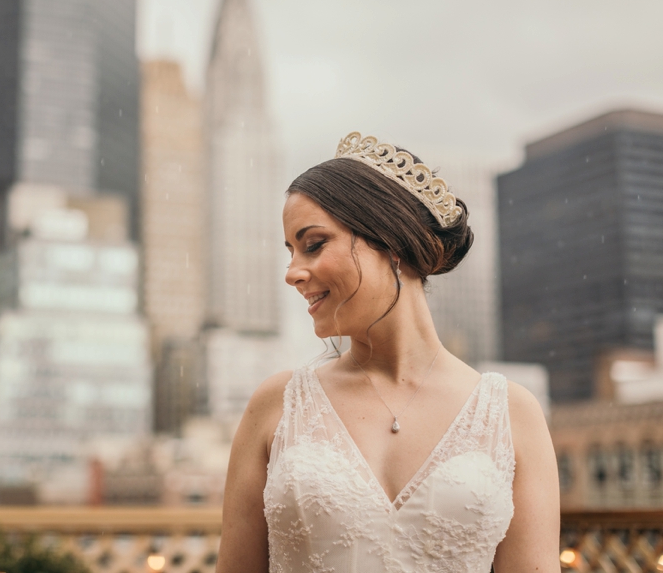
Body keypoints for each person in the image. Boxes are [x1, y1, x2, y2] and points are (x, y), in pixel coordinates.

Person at [216, 133, 560, 572]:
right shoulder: (276, 405)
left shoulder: (511, 413)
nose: (293, 273)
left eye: (313, 244)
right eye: (290, 251)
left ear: (391, 242)